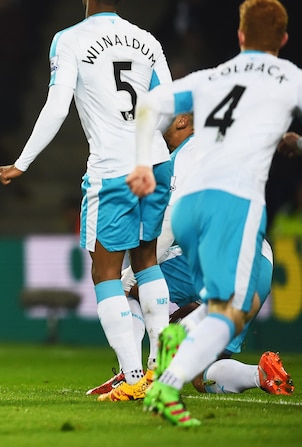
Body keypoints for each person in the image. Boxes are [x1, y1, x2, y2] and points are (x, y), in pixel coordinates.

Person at [0, 0, 173, 402]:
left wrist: (23, 161)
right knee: (147, 258)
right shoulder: (148, 41)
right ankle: (161, 368)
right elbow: (170, 104)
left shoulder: (70, 40)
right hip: (156, 162)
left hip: (113, 169)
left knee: (106, 271)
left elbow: (57, 107)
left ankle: (133, 378)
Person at [127, 0, 302, 426]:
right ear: (283, 38)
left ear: (240, 35)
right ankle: (166, 366)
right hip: (237, 217)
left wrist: (140, 164)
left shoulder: (214, 77)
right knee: (224, 314)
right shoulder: (287, 78)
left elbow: (151, 105)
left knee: (217, 330)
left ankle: (181, 355)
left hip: (191, 212)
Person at [89, 113, 293, 398]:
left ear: (183, 121)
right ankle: (260, 374)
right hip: (259, 262)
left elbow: (170, 223)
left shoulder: (188, 153)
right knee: (203, 372)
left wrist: (133, 272)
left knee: (127, 290)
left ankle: (131, 376)